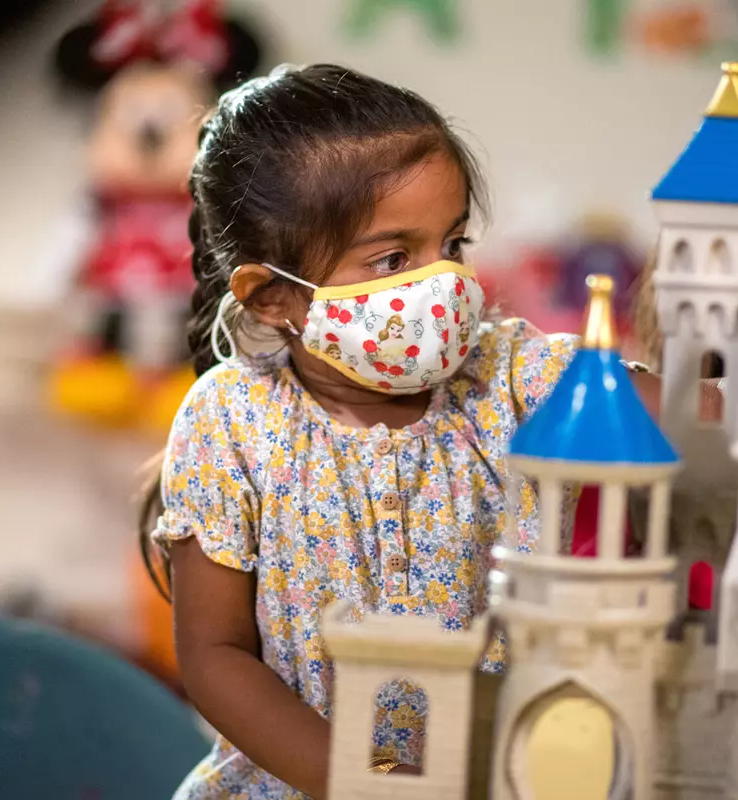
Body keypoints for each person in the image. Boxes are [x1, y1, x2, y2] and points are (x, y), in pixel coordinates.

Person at [139, 64, 722, 799]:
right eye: (392, 258)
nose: (442, 283)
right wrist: (360, 784)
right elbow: (216, 658)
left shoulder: (509, 372)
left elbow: (690, 409)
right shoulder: (231, 422)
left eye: (452, 245)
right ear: (274, 295)